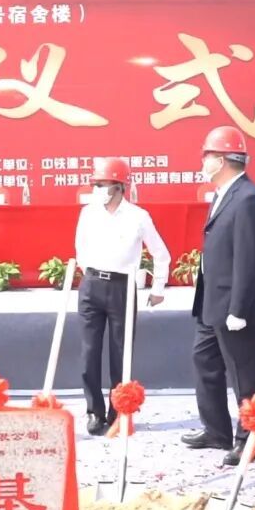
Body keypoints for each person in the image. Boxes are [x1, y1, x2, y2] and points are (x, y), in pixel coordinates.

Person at [183, 126, 255, 466]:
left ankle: (248, 438)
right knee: (204, 360)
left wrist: (238, 308)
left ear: (221, 160)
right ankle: (216, 430)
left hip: (236, 306)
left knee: (244, 374)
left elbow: (249, 258)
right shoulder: (224, 194)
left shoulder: (248, 198)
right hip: (213, 301)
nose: (203, 162)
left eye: (207, 156)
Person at [74, 157, 171, 435]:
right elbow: (80, 248)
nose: (98, 189)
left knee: (121, 353)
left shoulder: (138, 216)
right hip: (92, 285)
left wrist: (158, 288)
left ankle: (118, 411)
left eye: (102, 184)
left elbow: (161, 253)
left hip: (122, 287)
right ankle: (94, 412)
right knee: (89, 352)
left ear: (119, 186)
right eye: (95, 184)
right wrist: (92, 273)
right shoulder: (88, 213)